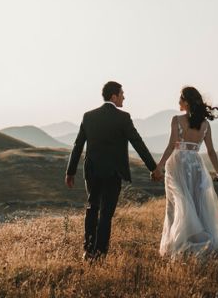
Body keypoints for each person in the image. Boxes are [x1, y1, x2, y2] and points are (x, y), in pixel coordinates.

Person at [64, 80, 159, 259]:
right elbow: (138, 143)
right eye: (122, 94)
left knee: (92, 207)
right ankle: (100, 252)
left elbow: (78, 145)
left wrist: (70, 171)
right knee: (106, 213)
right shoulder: (123, 118)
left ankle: (88, 249)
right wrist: (153, 168)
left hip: (92, 172)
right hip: (113, 173)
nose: (124, 97)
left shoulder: (88, 116)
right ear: (114, 96)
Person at [153, 86, 218, 258]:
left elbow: (171, 145)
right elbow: (211, 151)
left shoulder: (176, 120)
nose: (178, 102)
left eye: (180, 99)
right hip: (196, 165)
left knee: (178, 203)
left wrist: (159, 166)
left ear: (187, 102)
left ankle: (180, 245)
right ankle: (201, 244)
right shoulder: (205, 125)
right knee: (197, 204)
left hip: (178, 164)